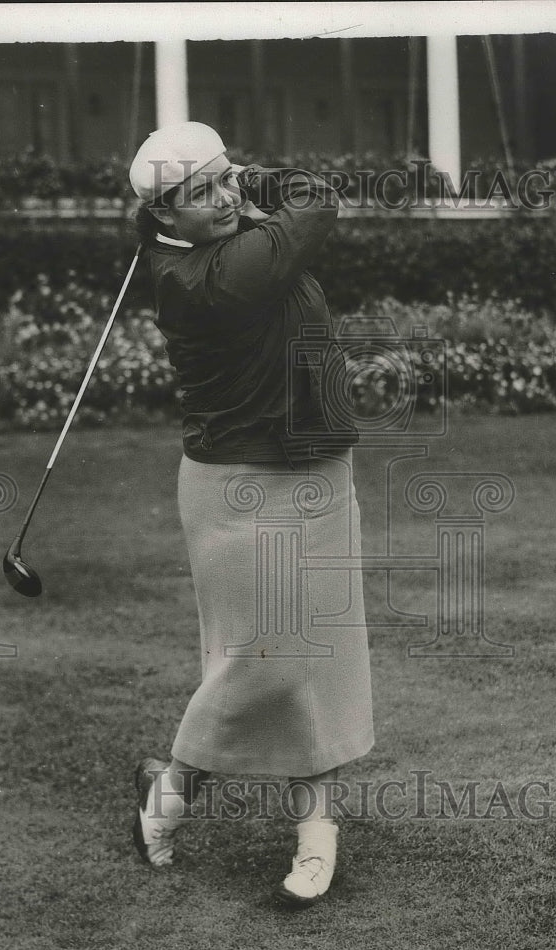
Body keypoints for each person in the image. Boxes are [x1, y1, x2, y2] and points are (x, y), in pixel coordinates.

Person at [128, 121, 373, 907]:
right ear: (167, 216)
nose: (225, 198)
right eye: (202, 192)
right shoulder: (215, 274)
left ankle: (315, 837)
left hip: (318, 468)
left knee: (319, 663)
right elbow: (317, 198)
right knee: (263, 659)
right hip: (239, 484)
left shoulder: (204, 242)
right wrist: (256, 174)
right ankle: (167, 794)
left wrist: (220, 173)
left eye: (226, 179)